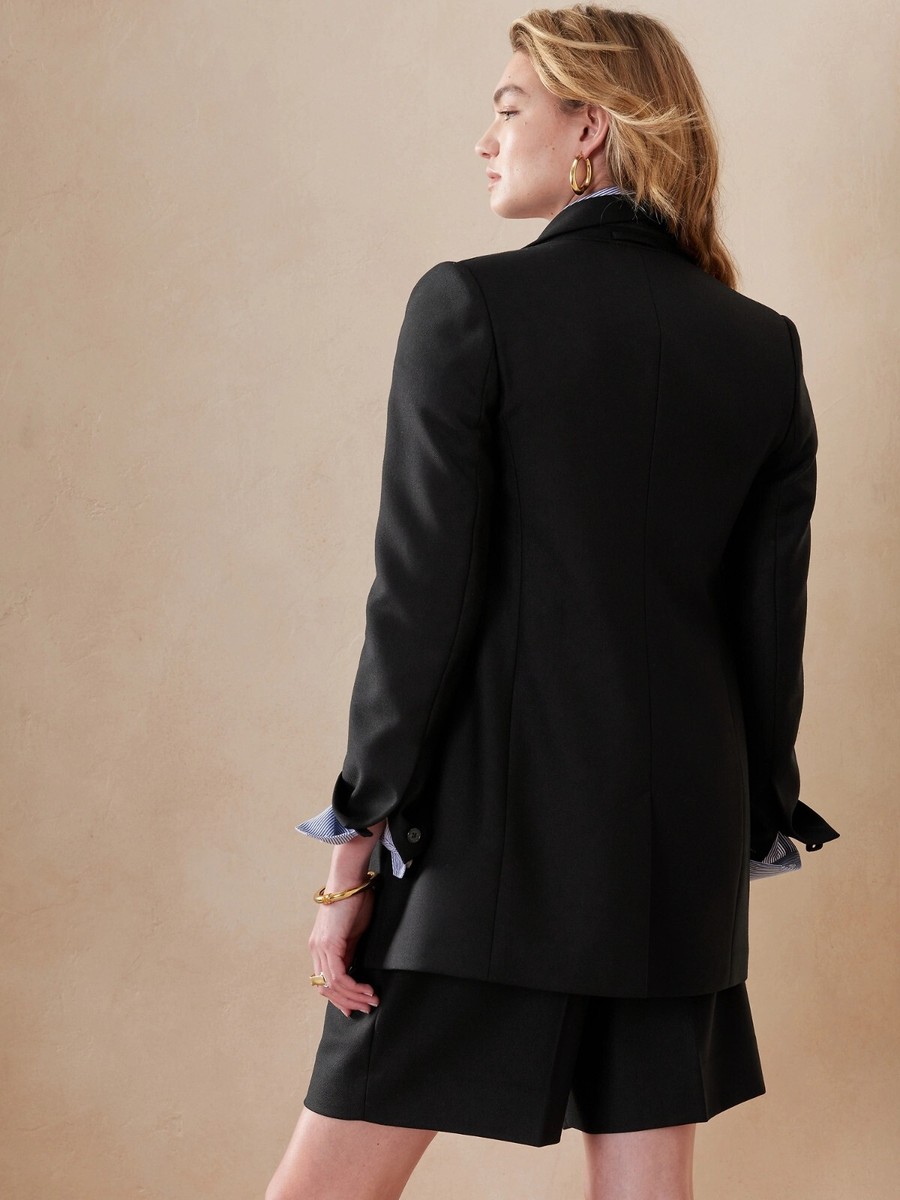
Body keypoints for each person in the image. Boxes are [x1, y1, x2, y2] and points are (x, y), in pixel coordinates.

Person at [266, 6, 840, 1199]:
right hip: (674, 856)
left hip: (490, 844)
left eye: (508, 106)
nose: (486, 138)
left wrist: (353, 853)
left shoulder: (468, 307)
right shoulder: (762, 347)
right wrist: (751, 818)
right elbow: (766, 638)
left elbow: (417, 604)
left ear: (589, 128)